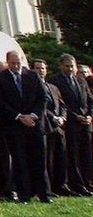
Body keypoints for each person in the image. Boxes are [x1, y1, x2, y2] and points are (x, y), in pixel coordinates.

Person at [0, 50, 48, 203]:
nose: (16, 66)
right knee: (19, 161)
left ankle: (42, 193)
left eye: (18, 63)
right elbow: (0, 102)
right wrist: (19, 117)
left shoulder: (32, 76)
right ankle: (24, 194)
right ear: (7, 62)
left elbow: (42, 98)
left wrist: (33, 115)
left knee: (38, 160)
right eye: (13, 63)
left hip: (34, 124)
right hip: (14, 126)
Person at [48, 53, 92, 195]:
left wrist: (89, 115)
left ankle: (87, 182)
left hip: (85, 123)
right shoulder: (55, 81)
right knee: (72, 155)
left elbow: (90, 100)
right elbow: (60, 104)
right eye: (67, 66)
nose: (70, 69)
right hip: (69, 124)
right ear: (61, 66)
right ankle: (75, 184)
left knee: (86, 154)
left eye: (72, 66)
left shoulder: (81, 80)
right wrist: (75, 116)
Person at [35, 59, 69, 195]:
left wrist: (62, 117)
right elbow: (41, 106)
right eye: (37, 69)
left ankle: (61, 186)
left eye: (42, 68)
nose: (40, 71)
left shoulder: (53, 87)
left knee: (60, 157)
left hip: (58, 127)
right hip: (46, 126)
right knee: (46, 158)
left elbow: (62, 105)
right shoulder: (33, 87)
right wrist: (52, 117)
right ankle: (48, 189)